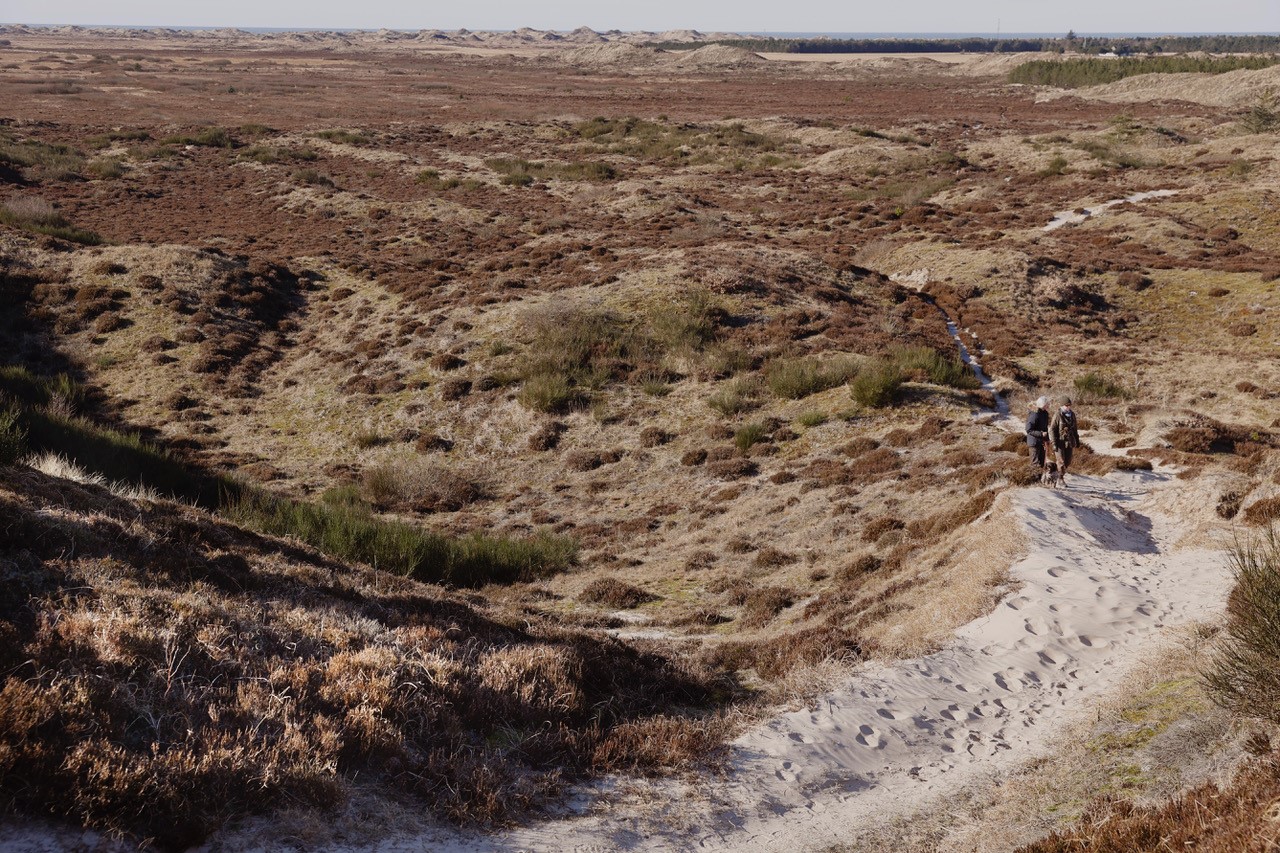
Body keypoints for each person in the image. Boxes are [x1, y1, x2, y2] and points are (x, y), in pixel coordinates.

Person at [1050, 396, 1081, 483]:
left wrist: (1077, 440)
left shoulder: (1072, 415)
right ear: (1062, 405)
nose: (1068, 407)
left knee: (1068, 461)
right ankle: (1060, 479)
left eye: (1069, 405)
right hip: (1059, 441)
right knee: (1061, 461)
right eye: (1066, 405)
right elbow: (1052, 429)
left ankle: (1058, 474)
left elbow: (1075, 429)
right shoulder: (1057, 415)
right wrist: (1054, 443)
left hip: (1069, 441)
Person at [1025, 396, 1050, 475]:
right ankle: (1035, 482)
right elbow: (1028, 429)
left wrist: (1047, 439)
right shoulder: (1034, 414)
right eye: (1047, 404)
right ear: (1043, 404)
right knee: (1035, 464)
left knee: (1042, 462)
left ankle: (1040, 481)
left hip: (1041, 442)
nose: (1048, 405)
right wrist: (1040, 434)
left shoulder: (1045, 413)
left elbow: (1045, 428)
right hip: (1034, 443)